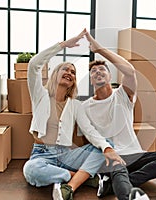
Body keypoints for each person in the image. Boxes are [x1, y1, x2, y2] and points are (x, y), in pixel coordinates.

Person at [22, 29, 125, 200]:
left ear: (73, 82)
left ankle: (70, 184)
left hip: (68, 154)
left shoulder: (76, 105)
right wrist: (63, 45)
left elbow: (90, 131)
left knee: (105, 144)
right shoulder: (40, 95)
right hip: (42, 154)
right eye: (65, 69)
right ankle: (79, 178)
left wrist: (107, 148)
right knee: (31, 171)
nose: (69, 73)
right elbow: (34, 65)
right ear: (56, 74)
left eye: (73, 72)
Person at [80, 30, 156, 200]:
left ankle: (111, 186)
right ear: (91, 80)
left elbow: (130, 71)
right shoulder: (84, 107)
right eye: (93, 71)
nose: (97, 72)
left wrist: (99, 49)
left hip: (135, 155)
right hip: (109, 156)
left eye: (102, 69)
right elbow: (89, 136)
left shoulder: (122, 94)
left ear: (110, 75)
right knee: (117, 166)